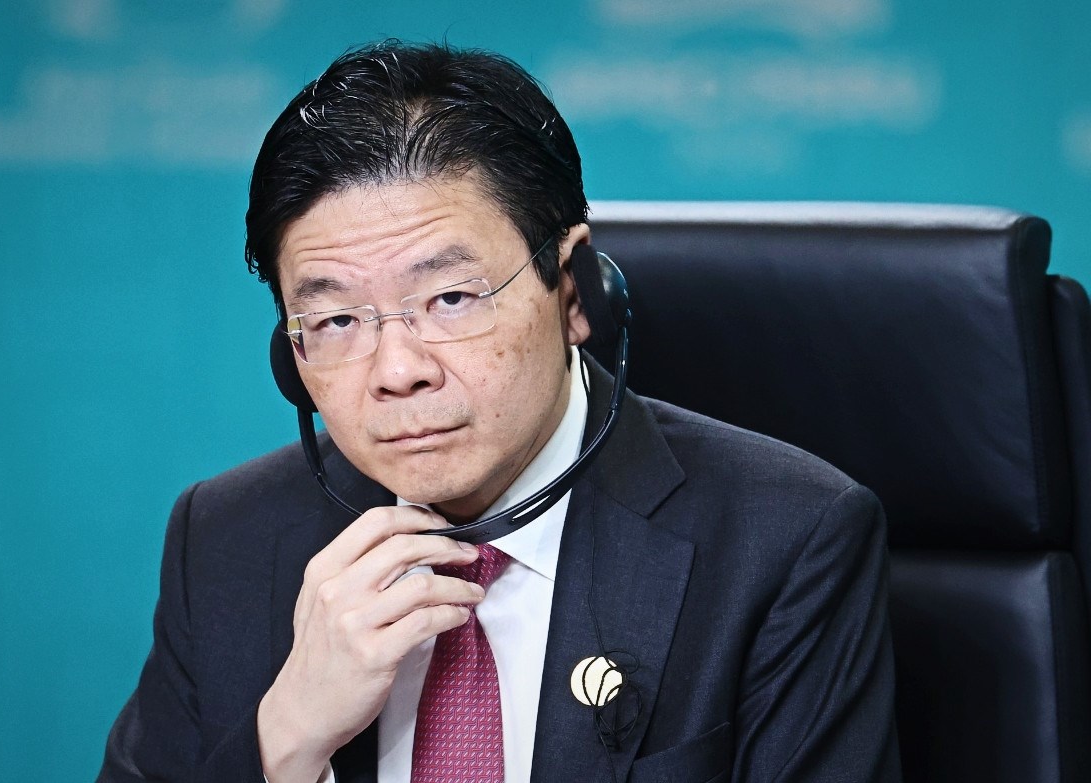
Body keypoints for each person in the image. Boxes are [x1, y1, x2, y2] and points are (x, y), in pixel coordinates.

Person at [99, 41, 900, 783]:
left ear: (574, 291)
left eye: (450, 298)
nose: (398, 371)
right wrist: (286, 737)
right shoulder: (228, 540)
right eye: (337, 319)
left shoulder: (783, 542)